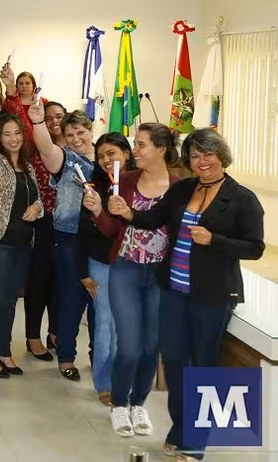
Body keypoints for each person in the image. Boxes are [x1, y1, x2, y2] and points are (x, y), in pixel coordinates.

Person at [105, 128, 264, 461]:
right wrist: (127, 212)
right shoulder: (184, 189)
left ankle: (195, 444)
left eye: (208, 154)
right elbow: (153, 218)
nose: (202, 161)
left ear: (221, 156)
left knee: (202, 365)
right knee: (175, 362)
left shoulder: (241, 198)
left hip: (212, 294)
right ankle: (180, 430)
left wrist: (214, 240)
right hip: (174, 290)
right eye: (195, 155)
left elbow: (255, 248)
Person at [85, 123, 178, 437]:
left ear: (160, 149)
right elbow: (112, 229)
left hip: (159, 275)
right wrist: (98, 210)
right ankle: (119, 404)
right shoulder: (124, 181)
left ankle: (139, 403)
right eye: (134, 144)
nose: (134, 150)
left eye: (141, 145)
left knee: (151, 347)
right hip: (126, 269)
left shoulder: (178, 188)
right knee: (129, 346)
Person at [29, 103, 97, 382]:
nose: (76, 139)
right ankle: (66, 357)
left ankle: (98, 355)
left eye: (80, 132)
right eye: (70, 135)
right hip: (69, 238)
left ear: (90, 130)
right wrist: (37, 123)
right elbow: (47, 150)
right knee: (71, 299)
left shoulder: (106, 159)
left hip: (102, 239)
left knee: (99, 301)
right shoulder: (66, 159)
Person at [0, 113, 43, 379]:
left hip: (23, 243)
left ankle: (3, 350)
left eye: (17, 133)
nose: (13, 139)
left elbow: (38, 199)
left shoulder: (28, 166)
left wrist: (37, 207)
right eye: (6, 134)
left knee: (10, 302)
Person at [0, 64, 57, 358]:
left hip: (65, 221)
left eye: (58, 117)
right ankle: (32, 336)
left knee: (60, 281)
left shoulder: (72, 150)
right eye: (48, 117)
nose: (53, 121)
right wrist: (10, 88)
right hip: (34, 214)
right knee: (37, 277)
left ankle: (56, 333)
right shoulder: (29, 153)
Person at [77, 133, 133, 406]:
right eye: (100, 156)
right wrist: (83, 272)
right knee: (104, 324)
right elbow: (83, 232)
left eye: (112, 153)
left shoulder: (140, 184)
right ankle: (104, 384)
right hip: (102, 264)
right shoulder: (94, 188)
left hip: (134, 265)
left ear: (127, 153)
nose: (106, 160)